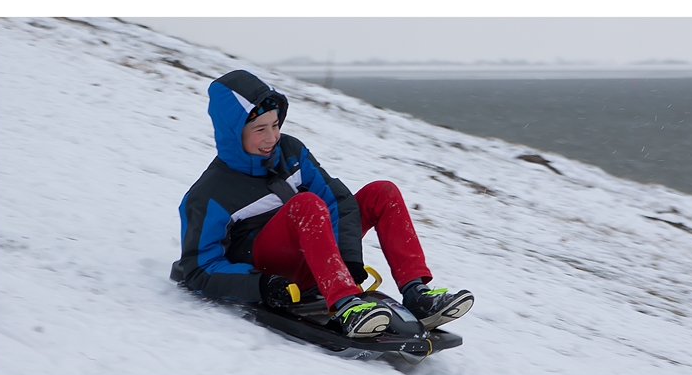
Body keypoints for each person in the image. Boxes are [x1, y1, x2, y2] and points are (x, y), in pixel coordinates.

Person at [178, 69, 473, 338]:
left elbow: (338, 200)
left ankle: (416, 293)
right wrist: (261, 285)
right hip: (275, 274)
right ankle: (347, 306)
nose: (272, 137)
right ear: (233, 132)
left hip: (317, 255)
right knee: (306, 204)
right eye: (260, 130)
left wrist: (349, 257)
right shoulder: (210, 194)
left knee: (382, 193)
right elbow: (198, 268)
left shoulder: (290, 151)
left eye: (276, 125)